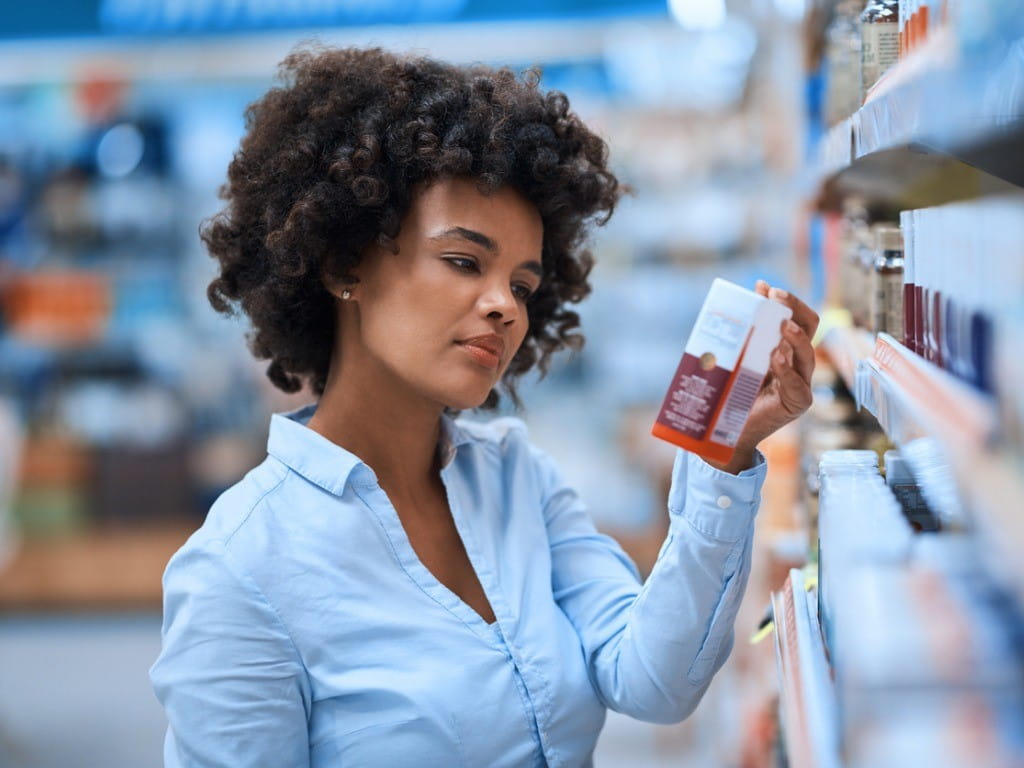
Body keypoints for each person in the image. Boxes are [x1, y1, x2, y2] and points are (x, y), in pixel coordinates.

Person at [150, 45, 817, 767]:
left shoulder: (517, 479)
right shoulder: (241, 568)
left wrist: (724, 447)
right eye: (464, 261)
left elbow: (653, 680)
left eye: (524, 286)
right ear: (345, 263)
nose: (504, 306)